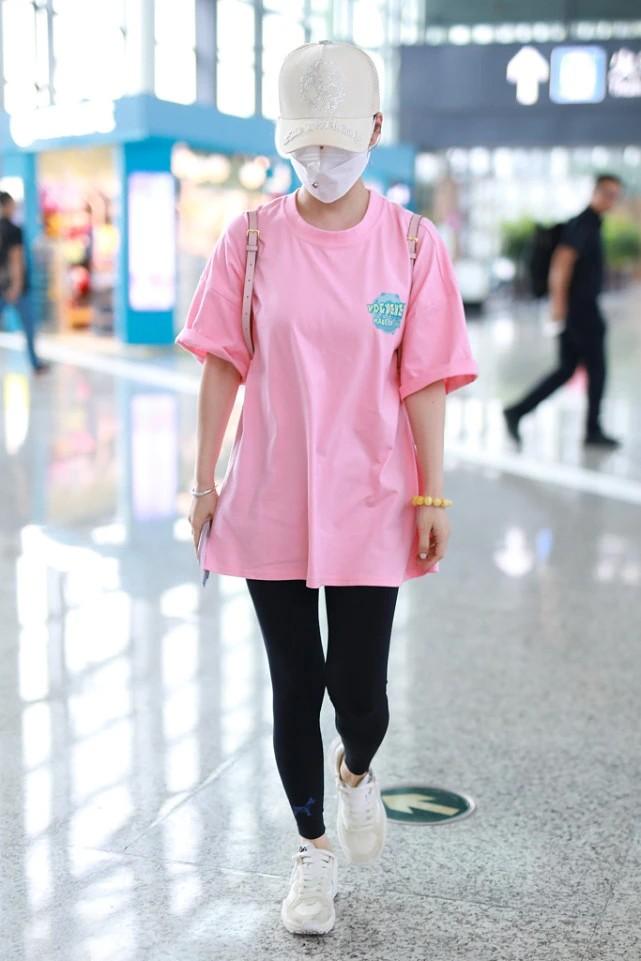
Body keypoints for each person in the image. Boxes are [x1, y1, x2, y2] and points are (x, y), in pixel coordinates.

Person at [176, 40, 478, 936]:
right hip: (269, 492)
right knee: (294, 681)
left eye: (337, 144)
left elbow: (423, 379)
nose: (321, 160)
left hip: (372, 497)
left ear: (375, 131)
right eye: (304, 145)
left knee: (360, 693)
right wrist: (202, 481)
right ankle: (310, 852)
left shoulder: (412, 244)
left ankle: (355, 771)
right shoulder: (252, 238)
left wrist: (431, 494)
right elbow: (221, 364)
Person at [504, 174, 623, 448]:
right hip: (580, 312)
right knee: (597, 370)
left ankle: (517, 411)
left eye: (615, 195)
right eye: (607, 193)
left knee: (566, 370)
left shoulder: (591, 224)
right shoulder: (584, 224)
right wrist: (558, 308)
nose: (611, 199)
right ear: (595, 192)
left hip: (579, 310)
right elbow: (561, 264)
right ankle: (592, 430)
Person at [0, 192, 49, 374]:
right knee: (29, 327)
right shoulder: (13, 230)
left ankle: (36, 363)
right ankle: (35, 363)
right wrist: (16, 286)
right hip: (17, 288)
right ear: (7, 205)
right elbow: (16, 259)